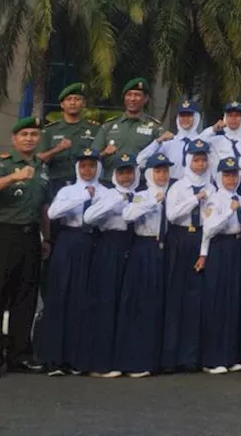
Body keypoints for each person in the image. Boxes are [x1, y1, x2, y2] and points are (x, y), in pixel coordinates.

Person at [0, 116, 50, 379]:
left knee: (25, 299)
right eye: (24, 134)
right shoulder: (3, 162)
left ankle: (20, 355)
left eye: (33, 134)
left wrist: (46, 237)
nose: (29, 138)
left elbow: (43, 207)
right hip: (4, 235)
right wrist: (13, 177)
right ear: (14, 139)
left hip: (30, 237)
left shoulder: (42, 166)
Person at [38, 147, 103, 376]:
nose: (87, 170)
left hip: (92, 243)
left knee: (83, 300)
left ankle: (77, 359)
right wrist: (84, 195)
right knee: (60, 296)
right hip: (69, 240)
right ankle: (54, 358)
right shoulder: (68, 190)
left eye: (92, 166)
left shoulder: (105, 190)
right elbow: (54, 213)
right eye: (83, 166)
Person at [77, 152, 137, 378]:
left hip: (132, 246)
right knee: (106, 302)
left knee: (127, 303)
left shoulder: (139, 195)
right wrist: (114, 202)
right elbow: (89, 217)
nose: (125, 177)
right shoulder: (108, 194)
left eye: (129, 172)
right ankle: (100, 362)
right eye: (121, 172)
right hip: (110, 244)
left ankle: (124, 358)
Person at [113, 152, 172, 378]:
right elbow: (128, 215)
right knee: (142, 304)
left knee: (163, 304)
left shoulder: (174, 193)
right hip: (145, 248)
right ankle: (138, 359)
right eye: (158, 171)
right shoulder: (142, 195)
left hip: (167, 248)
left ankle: (161, 359)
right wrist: (151, 202)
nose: (162, 175)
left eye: (165, 171)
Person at [161, 139, 213, 373]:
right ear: (188, 161)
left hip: (201, 239)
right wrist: (195, 198)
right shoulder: (178, 186)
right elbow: (172, 215)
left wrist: (204, 251)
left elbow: (211, 220)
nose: (200, 165)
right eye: (196, 160)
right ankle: (170, 357)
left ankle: (191, 356)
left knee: (196, 300)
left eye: (203, 160)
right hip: (179, 238)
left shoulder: (213, 186)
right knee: (175, 297)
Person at [196, 156, 241, 375]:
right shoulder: (215, 200)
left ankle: (229, 356)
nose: (231, 178)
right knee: (216, 302)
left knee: (233, 301)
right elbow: (208, 229)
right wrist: (229, 212)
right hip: (220, 247)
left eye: (234, 174)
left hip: (236, 248)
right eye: (227, 174)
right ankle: (212, 358)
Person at [93, 77, 164, 175]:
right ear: (124, 98)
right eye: (129, 95)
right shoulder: (109, 125)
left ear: (146, 99)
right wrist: (104, 153)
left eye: (137, 95)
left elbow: (162, 158)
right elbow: (92, 157)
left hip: (141, 184)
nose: (132, 99)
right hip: (110, 182)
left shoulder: (155, 128)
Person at [39, 83, 99, 198]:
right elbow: (41, 158)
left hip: (86, 183)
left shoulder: (94, 129)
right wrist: (57, 149)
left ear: (84, 104)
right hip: (56, 182)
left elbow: (99, 156)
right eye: (68, 99)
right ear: (62, 104)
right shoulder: (50, 130)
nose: (73, 102)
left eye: (77, 99)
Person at [137, 99, 205, 182]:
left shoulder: (203, 142)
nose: (185, 119)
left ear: (196, 117)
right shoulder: (169, 143)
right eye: (182, 115)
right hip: (172, 188)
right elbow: (141, 160)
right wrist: (158, 141)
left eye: (189, 115)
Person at [207, 100, 241, 178]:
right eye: (230, 115)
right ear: (225, 118)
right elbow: (194, 144)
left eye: (237, 115)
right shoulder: (216, 141)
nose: (233, 119)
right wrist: (212, 130)